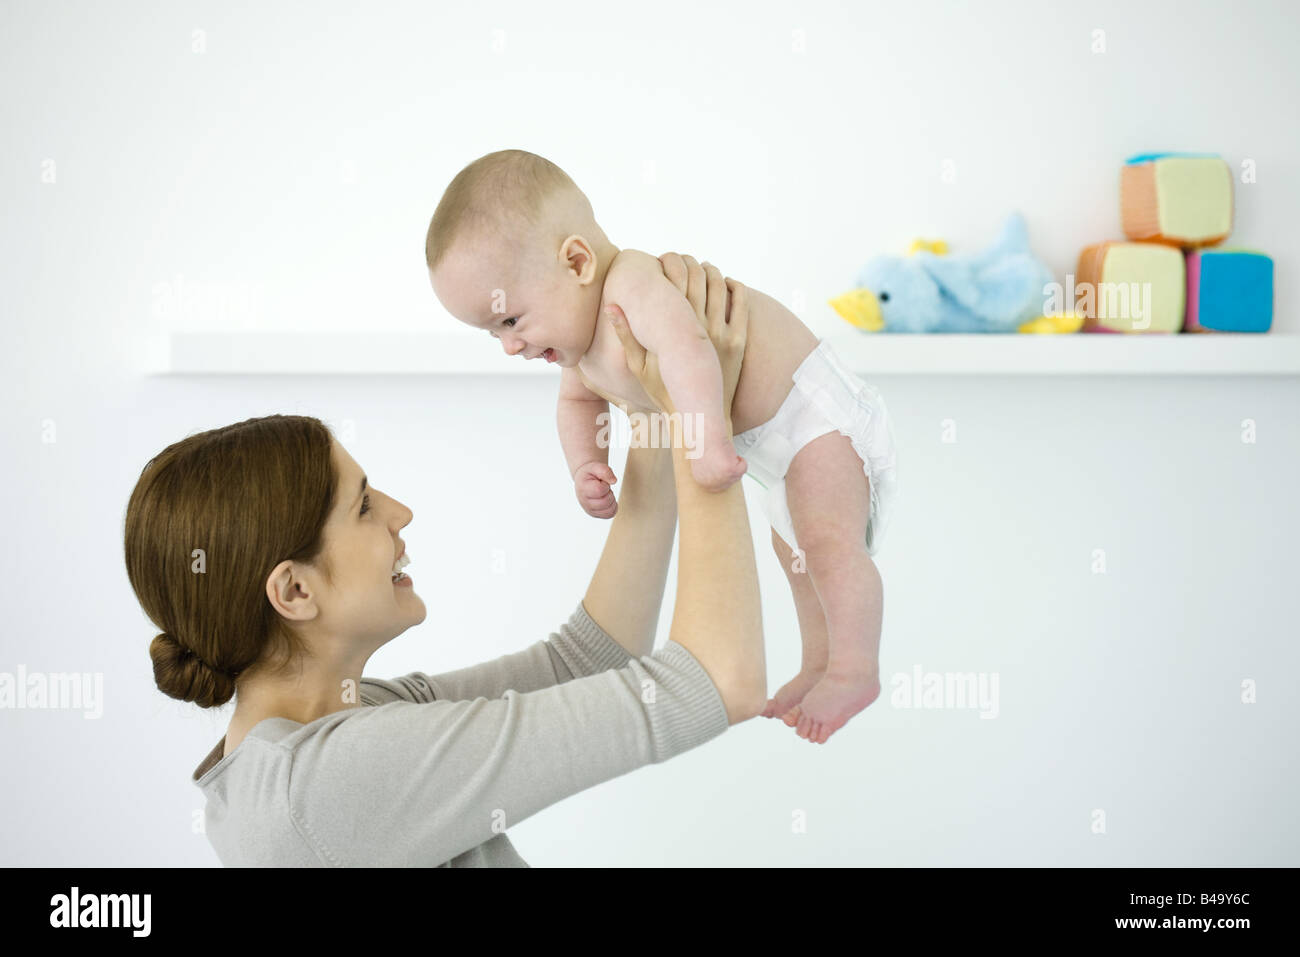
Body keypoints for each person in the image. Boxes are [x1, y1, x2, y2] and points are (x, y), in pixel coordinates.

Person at [123, 254, 767, 867]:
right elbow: (715, 683)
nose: (401, 512)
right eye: (365, 506)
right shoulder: (334, 782)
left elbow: (584, 662)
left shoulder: (327, 727)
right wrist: (702, 414)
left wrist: (650, 414)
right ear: (294, 591)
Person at [426, 149, 900, 742]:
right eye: (492, 332)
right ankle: (818, 664)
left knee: (828, 547)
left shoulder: (631, 285)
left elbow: (691, 350)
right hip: (775, 453)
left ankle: (856, 668)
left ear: (576, 261)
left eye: (510, 320)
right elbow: (577, 405)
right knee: (798, 559)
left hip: (812, 415)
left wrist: (702, 441)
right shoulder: (577, 347)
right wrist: (586, 466)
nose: (508, 346)